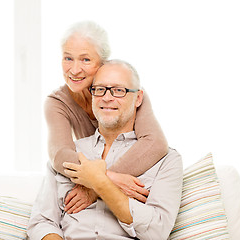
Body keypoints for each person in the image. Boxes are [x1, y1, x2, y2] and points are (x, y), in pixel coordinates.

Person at [27, 60, 183, 240]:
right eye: (100, 89)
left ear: (138, 98)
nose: (107, 98)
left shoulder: (166, 160)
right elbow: (41, 222)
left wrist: (99, 183)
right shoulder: (68, 155)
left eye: (118, 90)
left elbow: (157, 231)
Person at [45, 21, 169, 213]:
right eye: (68, 58)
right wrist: (108, 179)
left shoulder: (127, 91)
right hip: (101, 179)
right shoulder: (57, 102)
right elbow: (60, 155)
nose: (75, 70)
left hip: (138, 179)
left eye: (85, 60)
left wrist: (96, 186)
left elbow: (156, 143)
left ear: (102, 63)